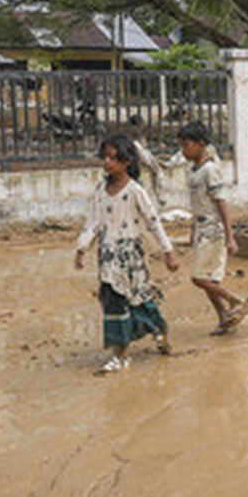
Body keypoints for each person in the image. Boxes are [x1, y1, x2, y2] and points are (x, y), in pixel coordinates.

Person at [75, 134, 180, 374]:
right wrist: (82, 248)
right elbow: (93, 222)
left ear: (127, 162)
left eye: (113, 158)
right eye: (105, 157)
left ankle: (158, 329)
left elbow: (153, 222)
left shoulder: (135, 191)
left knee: (138, 300)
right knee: (113, 301)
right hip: (108, 257)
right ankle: (119, 355)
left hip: (131, 257)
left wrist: (168, 251)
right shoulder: (101, 190)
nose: (107, 162)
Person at [177, 120, 248, 335]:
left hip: (213, 231)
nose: (183, 151)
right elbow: (197, 203)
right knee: (209, 280)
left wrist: (230, 236)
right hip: (202, 229)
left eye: (187, 145)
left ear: (201, 144)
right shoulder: (193, 170)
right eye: (182, 146)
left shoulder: (210, 170)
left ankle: (236, 300)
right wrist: (193, 230)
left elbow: (221, 203)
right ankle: (224, 318)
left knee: (199, 278)